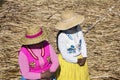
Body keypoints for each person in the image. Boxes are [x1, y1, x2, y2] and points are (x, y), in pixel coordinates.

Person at [55, 10, 89, 80]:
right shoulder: (62, 36)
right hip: (68, 62)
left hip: (80, 58)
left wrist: (84, 56)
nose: (73, 26)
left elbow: (82, 42)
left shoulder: (78, 28)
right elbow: (64, 54)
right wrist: (76, 60)